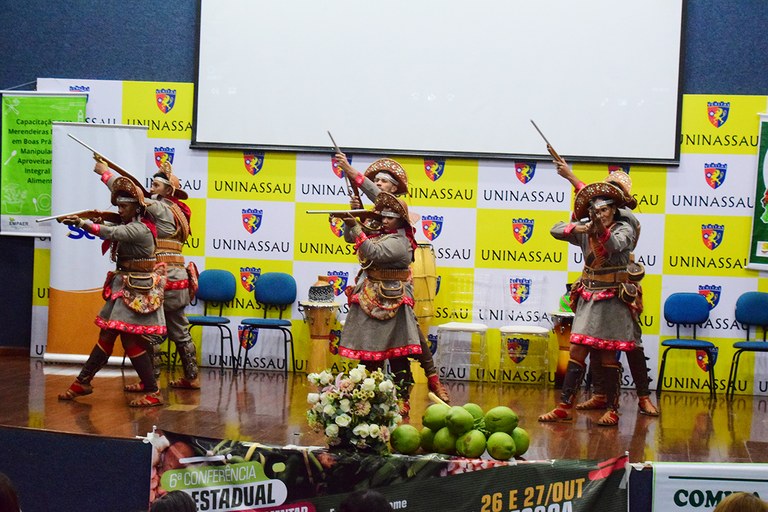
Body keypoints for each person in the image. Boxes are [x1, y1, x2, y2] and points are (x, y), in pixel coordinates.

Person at [335, 154, 451, 404]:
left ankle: (429, 382)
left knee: (411, 341)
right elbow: (353, 237)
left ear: (395, 188)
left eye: (383, 181)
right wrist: (354, 214)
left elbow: (375, 203)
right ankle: (364, 401)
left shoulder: (397, 209)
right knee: (370, 349)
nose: (377, 184)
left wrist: (351, 171)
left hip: (395, 291)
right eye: (375, 180)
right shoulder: (379, 217)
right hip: (369, 289)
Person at [555, 159, 659, 417]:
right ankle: (599, 396)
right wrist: (572, 180)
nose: (603, 198)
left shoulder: (627, 220)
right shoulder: (595, 217)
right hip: (593, 288)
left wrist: (576, 183)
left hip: (618, 291)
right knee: (594, 344)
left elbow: (612, 240)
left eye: (611, 193)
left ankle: (643, 397)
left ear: (620, 200)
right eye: (603, 190)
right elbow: (586, 205)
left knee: (631, 345)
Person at [58, 176, 166, 407]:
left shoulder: (140, 229)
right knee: (117, 337)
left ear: (137, 207)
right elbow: (113, 228)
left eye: (124, 206)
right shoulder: (134, 225)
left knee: (119, 337)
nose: (119, 210)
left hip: (135, 290)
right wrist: (85, 221)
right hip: (127, 287)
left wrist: (83, 223)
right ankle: (84, 381)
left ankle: (150, 390)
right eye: (118, 206)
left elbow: (112, 233)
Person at [539, 176, 638, 426]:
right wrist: (580, 227)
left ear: (614, 210)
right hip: (589, 297)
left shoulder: (625, 228)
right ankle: (563, 406)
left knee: (607, 356)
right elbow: (555, 230)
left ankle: (613, 409)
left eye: (604, 209)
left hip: (613, 300)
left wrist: (598, 229)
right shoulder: (586, 230)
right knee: (576, 350)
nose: (600, 214)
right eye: (596, 211)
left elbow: (615, 245)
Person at [95, 161, 200, 391]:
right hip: (178, 276)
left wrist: (105, 175)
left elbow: (134, 195)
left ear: (168, 191)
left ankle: (149, 383)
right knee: (180, 329)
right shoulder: (180, 211)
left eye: (156, 185)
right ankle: (191, 377)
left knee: (150, 331)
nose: (151, 188)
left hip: (161, 278)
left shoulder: (161, 208)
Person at [338, 191, 423, 420]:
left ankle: (403, 401)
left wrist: (355, 225)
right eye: (383, 216)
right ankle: (365, 401)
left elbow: (371, 250)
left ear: (401, 221)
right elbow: (351, 239)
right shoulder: (380, 233)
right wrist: (353, 221)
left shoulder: (400, 241)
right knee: (367, 354)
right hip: (368, 297)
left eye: (391, 217)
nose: (384, 220)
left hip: (392, 301)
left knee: (398, 356)